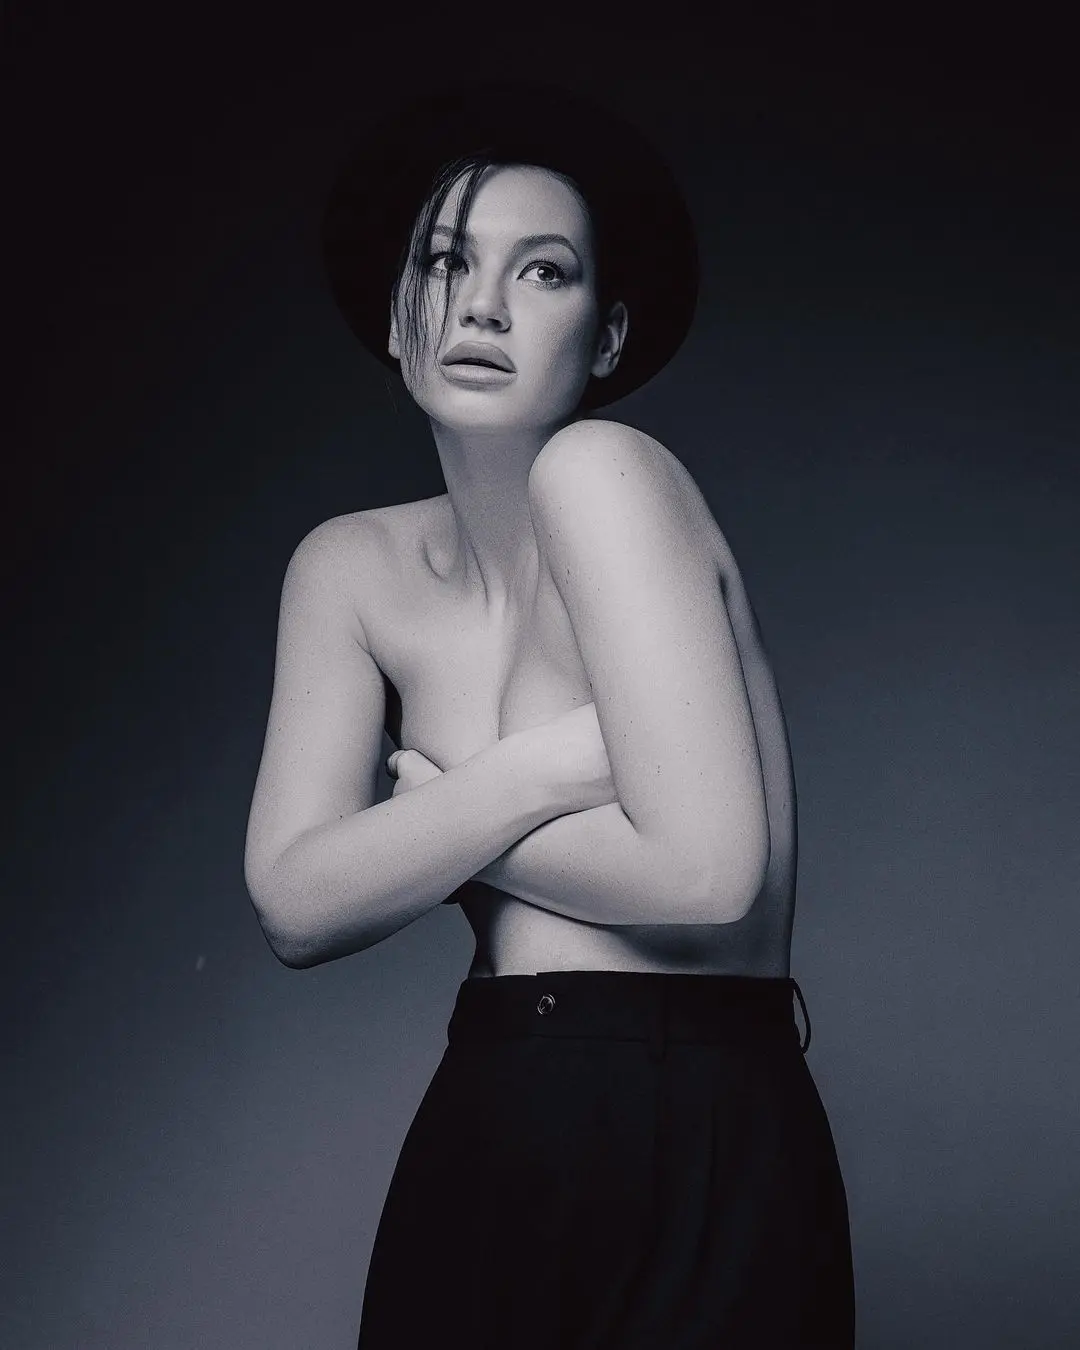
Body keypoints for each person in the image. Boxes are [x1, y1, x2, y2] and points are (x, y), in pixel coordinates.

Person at [244, 82, 855, 1348]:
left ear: (609, 335)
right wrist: (530, 777)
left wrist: (433, 821)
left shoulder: (606, 473)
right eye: (446, 263)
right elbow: (295, 906)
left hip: (695, 1121)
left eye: (544, 271)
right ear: (399, 315)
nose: (482, 306)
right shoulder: (350, 569)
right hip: (493, 1106)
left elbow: (706, 873)